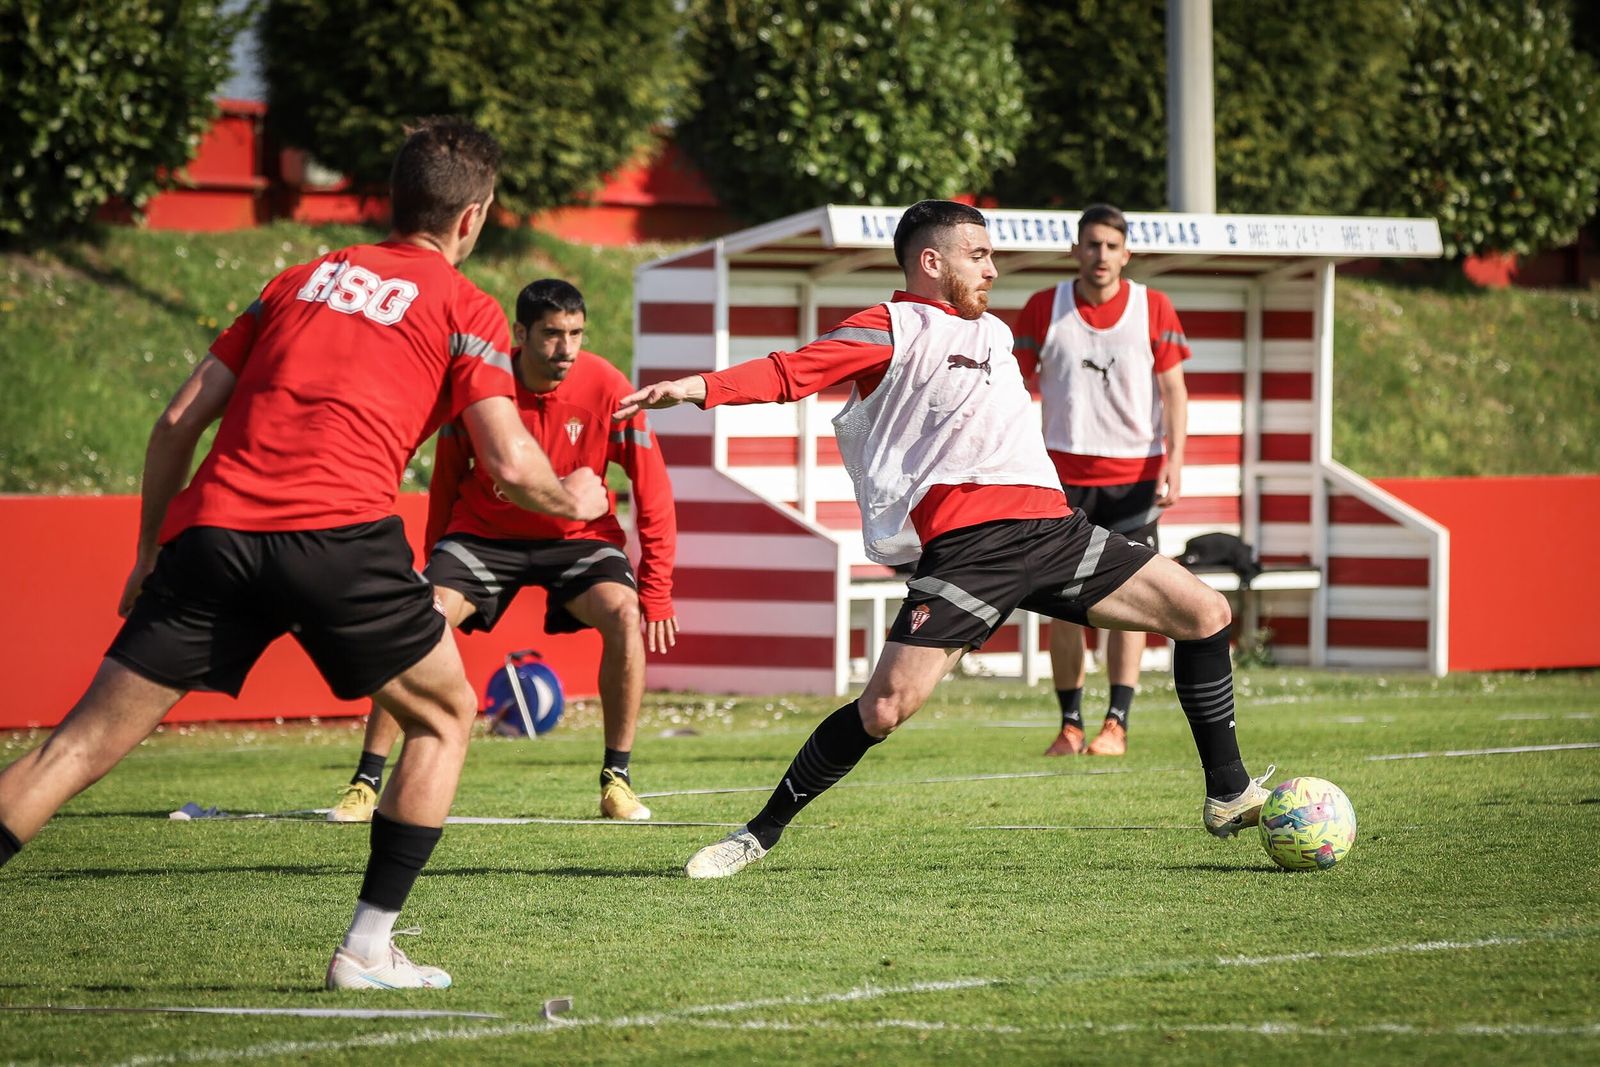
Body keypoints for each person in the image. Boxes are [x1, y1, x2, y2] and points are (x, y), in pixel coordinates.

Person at [0, 118, 608, 988]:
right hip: (338, 539)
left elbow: (176, 422)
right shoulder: (464, 306)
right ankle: (366, 947)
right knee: (443, 714)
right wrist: (575, 498)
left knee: (70, 750)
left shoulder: (297, 279)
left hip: (213, 532)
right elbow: (511, 463)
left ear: (395, 200)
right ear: (471, 219)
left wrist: (148, 549)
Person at [616, 200, 1272, 880]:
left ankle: (1227, 792)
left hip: (1055, 529)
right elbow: (791, 371)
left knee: (1206, 614)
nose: (993, 267)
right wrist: (698, 387)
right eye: (978, 254)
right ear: (932, 262)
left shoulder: (993, 331)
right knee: (883, 709)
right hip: (971, 550)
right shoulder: (891, 327)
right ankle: (756, 834)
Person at [326, 278, 677, 825]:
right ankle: (367, 780)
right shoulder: (481, 380)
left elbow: (653, 489)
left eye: (576, 334)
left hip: (578, 541)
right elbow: (445, 481)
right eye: (552, 335)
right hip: (483, 538)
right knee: (419, 616)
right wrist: (431, 561)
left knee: (624, 614)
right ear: (520, 333)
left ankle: (617, 780)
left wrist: (657, 590)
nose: (566, 349)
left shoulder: (607, 385)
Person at [1014, 203, 1191, 759]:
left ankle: (1116, 724)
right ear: (1075, 250)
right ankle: (1069, 726)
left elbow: (1175, 391)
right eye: (1091, 244)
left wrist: (1175, 460)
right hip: (1058, 478)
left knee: (1130, 603)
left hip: (1134, 479)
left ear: (1126, 253)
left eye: (1111, 246)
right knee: (1060, 603)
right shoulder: (1044, 307)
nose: (1101, 255)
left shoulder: (1153, 306)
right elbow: (1013, 391)